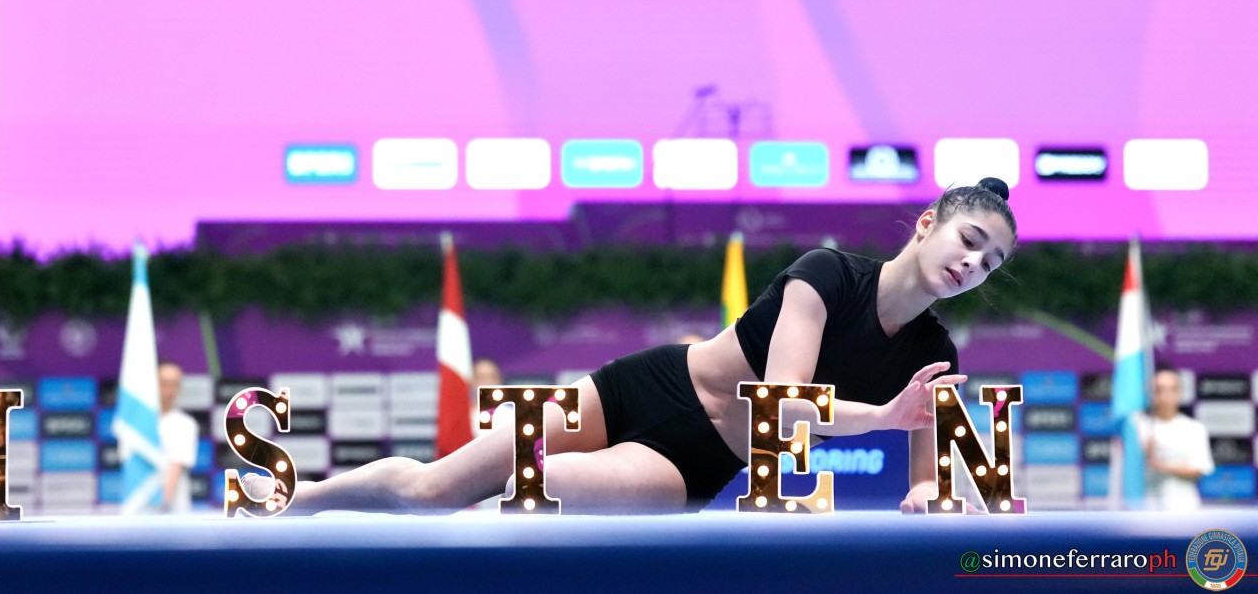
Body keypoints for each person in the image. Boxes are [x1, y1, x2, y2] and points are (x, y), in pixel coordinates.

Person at [265, 178, 1015, 515]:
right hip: (644, 386)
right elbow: (781, 407)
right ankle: (307, 499)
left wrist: (929, 494)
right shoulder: (827, 274)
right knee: (436, 490)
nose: (973, 263)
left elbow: (926, 478)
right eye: (969, 239)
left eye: (991, 263)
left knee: (536, 488)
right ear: (928, 222)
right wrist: (881, 417)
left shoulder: (934, 356)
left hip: (693, 464)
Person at [1137, 367, 1214, 510]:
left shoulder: (1194, 429)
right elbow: (1127, 470)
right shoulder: (1138, 427)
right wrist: (1142, 454)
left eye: (1170, 390)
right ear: (1150, 394)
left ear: (1179, 393)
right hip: (1148, 511)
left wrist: (1161, 466)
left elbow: (1199, 469)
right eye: (1158, 390)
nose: (1164, 396)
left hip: (1185, 511)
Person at [156, 361, 201, 513]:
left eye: (175, 384)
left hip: (172, 513)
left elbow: (175, 467)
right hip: (138, 511)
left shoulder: (185, 424)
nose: (170, 389)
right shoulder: (136, 425)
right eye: (164, 383)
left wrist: (162, 506)